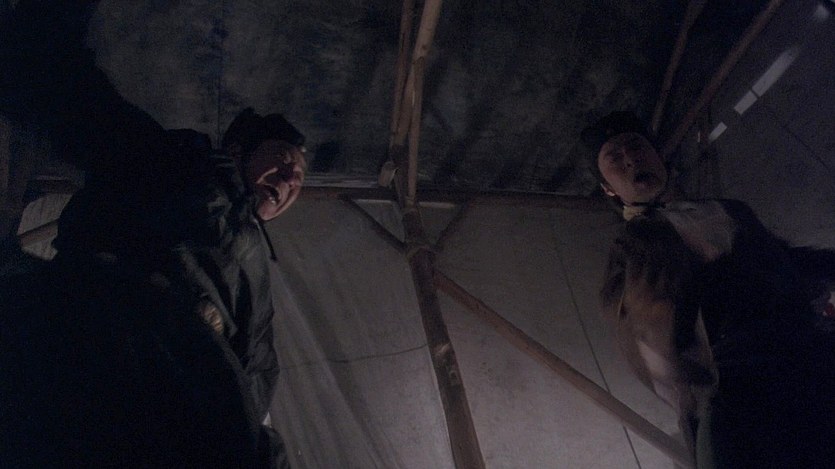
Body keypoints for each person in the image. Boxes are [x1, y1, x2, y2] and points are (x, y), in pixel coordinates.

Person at [0, 2, 304, 467]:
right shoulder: (184, 166)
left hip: (188, 388)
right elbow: (83, 108)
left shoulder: (258, 274)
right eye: (282, 158)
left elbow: (257, 371)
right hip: (106, 322)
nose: (291, 178)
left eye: (299, 178)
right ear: (237, 150)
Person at [581, 111, 835, 468]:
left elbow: (784, 259)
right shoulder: (630, 249)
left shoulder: (730, 211)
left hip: (805, 350)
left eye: (636, 146)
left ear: (658, 155)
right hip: (735, 385)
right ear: (609, 189)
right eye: (614, 158)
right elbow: (639, 329)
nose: (630, 158)